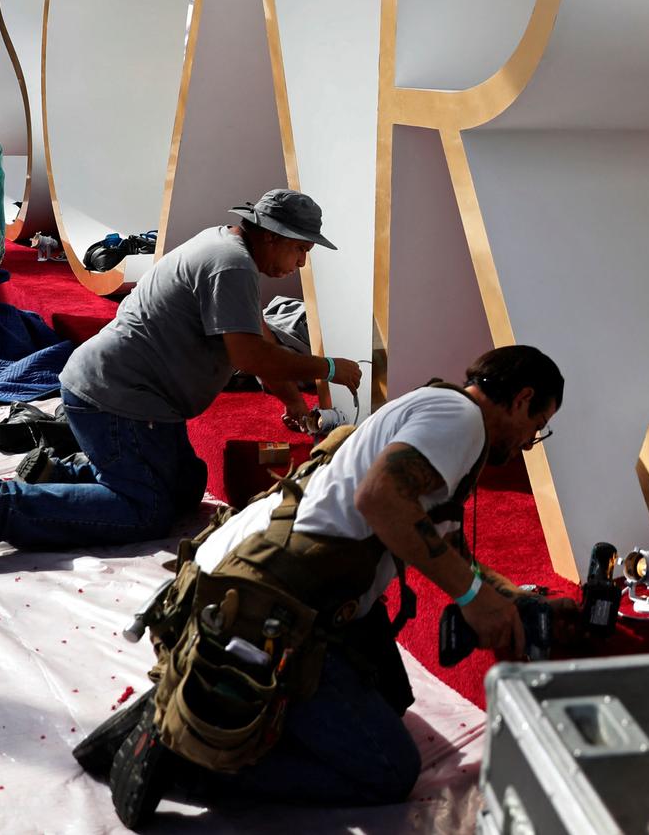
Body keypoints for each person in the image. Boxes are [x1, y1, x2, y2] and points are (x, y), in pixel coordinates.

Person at [78, 344, 564, 823]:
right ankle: (184, 757)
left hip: (253, 578)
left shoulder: (439, 408)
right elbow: (383, 498)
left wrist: (505, 596)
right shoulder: (459, 422)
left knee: (389, 697)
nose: (527, 441)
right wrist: (473, 598)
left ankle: (186, 700)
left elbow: (444, 544)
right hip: (268, 603)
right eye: (536, 427)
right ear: (522, 399)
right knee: (388, 770)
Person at [0, 188, 364, 575]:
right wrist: (327, 368)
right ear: (272, 235)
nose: (302, 262)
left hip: (132, 397)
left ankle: (60, 473)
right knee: (146, 509)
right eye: (301, 249)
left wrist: (293, 403)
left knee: (185, 489)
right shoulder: (231, 264)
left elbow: (262, 339)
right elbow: (248, 355)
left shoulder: (228, 249)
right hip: (118, 400)